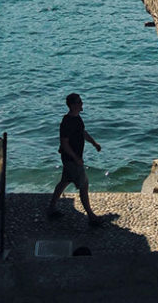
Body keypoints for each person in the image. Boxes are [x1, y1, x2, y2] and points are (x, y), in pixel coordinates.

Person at [47, 92, 103, 226]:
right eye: (79, 102)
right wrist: (76, 158)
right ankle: (91, 216)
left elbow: (83, 133)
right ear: (72, 105)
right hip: (71, 159)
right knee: (84, 185)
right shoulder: (67, 122)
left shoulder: (77, 119)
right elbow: (64, 143)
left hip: (72, 159)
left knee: (64, 182)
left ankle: (51, 208)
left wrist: (94, 143)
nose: (81, 103)